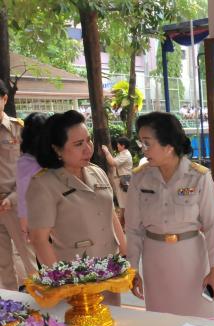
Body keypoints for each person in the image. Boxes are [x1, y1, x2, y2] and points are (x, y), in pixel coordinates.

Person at [125, 112, 214, 318]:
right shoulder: (140, 178)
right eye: (141, 142)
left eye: (147, 143)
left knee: (200, 316)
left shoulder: (199, 177)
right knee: (161, 319)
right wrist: (133, 269)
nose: (142, 149)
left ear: (168, 145)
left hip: (191, 259)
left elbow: (211, 225)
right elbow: (133, 229)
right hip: (155, 260)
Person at [27, 110, 127, 304]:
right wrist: (61, 281)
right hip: (74, 276)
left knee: (111, 318)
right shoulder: (44, 183)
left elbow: (110, 214)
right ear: (57, 149)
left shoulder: (97, 172)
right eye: (78, 144)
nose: (88, 149)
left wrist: (125, 252)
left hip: (108, 270)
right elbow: (39, 239)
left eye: (88, 140)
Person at [0, 80, 37, 289]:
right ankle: (10, 304)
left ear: (4, 99)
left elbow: (31, 169)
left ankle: (42, 300)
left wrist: (12, 198)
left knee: (28, 256)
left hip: (16, 204)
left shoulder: (18, 129)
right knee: (3, 264)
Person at [16, 112, 47, 243]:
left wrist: (24, 224)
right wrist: (24, 225)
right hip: (43, 221)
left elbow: (22, 197)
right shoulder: (26, 162)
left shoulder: (25, 162)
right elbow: (23, 197)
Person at [101, 136, 134, 215]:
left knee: (124, 204)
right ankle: (123, 219)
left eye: (118, 144)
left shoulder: (125, 155)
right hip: (122, 180)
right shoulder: (122, 154)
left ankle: (123, 220)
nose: (117, 145)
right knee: (122, 203)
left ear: (123, 145)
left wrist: (107, 152)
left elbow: (112, 162)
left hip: (123, 180)